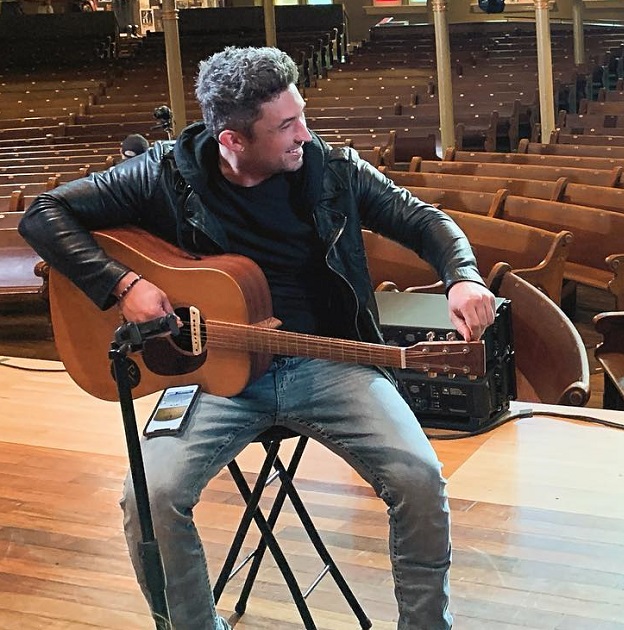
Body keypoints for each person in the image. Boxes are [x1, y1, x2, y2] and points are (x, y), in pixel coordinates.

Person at [18, 47, 497, 630]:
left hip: (329, 363)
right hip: (209, 374)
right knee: (150, 499)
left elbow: (424, 221)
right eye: (287, 126)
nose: (305, 133)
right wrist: (123, 284)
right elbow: (43, 213)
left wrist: (463, 277)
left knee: (419, 477)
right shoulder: (164, 174)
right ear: (233, 140)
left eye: (301, 115)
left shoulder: (333, 170)